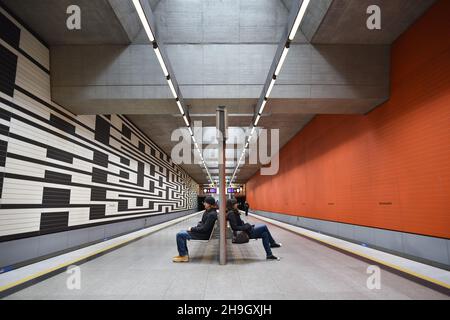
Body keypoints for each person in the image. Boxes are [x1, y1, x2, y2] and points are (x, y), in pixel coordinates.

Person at [173, 196, 218, 262]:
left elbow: (204, 229)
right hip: (201, 232)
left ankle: (183, 256)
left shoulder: (212, 214)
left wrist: (192, 229)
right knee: (181, 232)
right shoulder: (207, 212)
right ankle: (183, 254)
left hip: (204, 235)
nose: (204, 204)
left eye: (205, 203)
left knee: (180, 235)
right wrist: (198, 226)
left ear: (209, 204)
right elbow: (202, 223)